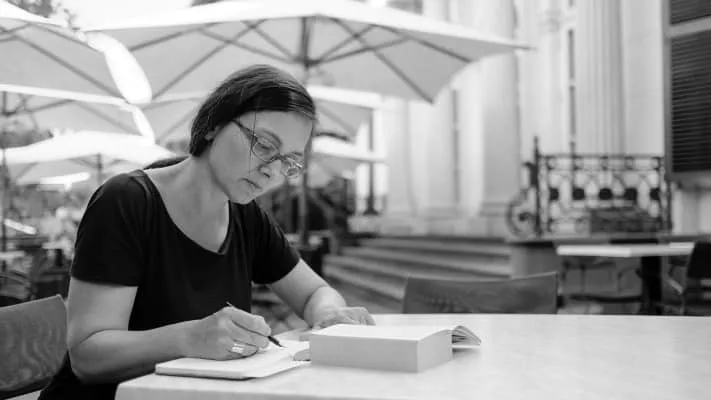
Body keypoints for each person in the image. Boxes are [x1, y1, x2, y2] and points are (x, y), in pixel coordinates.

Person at [38, 64, 375, 400]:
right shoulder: (127, 201)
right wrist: (189, 338)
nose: (271, 171)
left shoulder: (246, 217)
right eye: (264, 145)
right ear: (215, 124)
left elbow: (315, 292)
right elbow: (88, 356)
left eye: (288, 162)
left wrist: (328, 314)